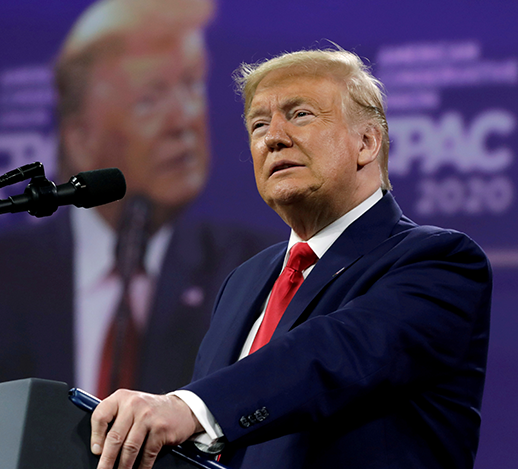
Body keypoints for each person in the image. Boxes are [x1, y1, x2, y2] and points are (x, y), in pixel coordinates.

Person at [87, 46, 492, 469]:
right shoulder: (244, 281)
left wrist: (191, 408)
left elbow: (334, 353)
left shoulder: (438, 262)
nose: (273, 137)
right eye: (259, 124)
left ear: (367, 142)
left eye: (300, 115)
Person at [0, 0, 275, 401]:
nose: (184, 119)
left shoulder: (255, 270)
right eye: (150, 99)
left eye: (192, 85)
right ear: (79, 136)